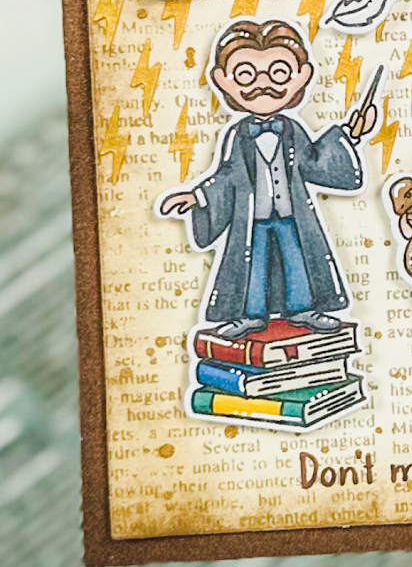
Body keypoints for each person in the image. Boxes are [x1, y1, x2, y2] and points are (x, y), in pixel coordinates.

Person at [158, 17, 376, 339]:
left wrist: (351, 134)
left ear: (301, 76)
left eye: (279, 73)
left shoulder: (292, 130)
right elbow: (227, 176)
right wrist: (197, 197)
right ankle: (251, 315)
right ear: (223, 80)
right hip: (253, 220)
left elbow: (316, 161)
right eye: (246, 74)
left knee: (297, 259)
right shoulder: (238, 135)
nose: (263, 85)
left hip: (292, 215)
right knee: (253, 264)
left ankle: (303, 310)